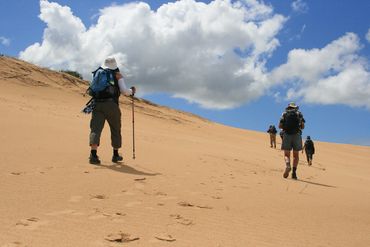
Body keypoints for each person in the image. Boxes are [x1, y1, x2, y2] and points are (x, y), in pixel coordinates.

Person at [89, 57, 136, 165]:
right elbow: (124, 91)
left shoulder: (98, 73)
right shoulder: (117, 74)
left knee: (95, 129)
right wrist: (132, 91)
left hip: (97, 104)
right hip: (111, 105)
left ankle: (93, 154)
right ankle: (115, 154)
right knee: (115, 129)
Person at [278, 102, 305, 179]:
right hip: (297, 135)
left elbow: (279, 125)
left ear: (288, 107)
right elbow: (303, 127)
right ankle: (294, 173)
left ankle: (287, 165)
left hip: (286, 134)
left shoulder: (284, 114)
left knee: (287, 154)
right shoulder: (299, 114)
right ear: (295, 107)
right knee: (296, 156)